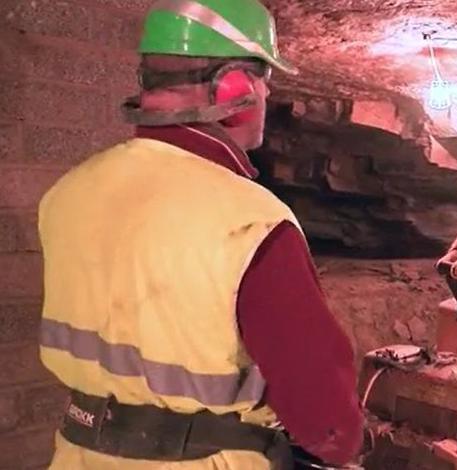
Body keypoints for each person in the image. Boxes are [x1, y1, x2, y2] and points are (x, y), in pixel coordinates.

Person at [37, 0, 364, 468]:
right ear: (236, 87)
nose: (267, 100)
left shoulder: (68, 192)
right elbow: (327, 424)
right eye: (265, 84)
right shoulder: (248, 221)